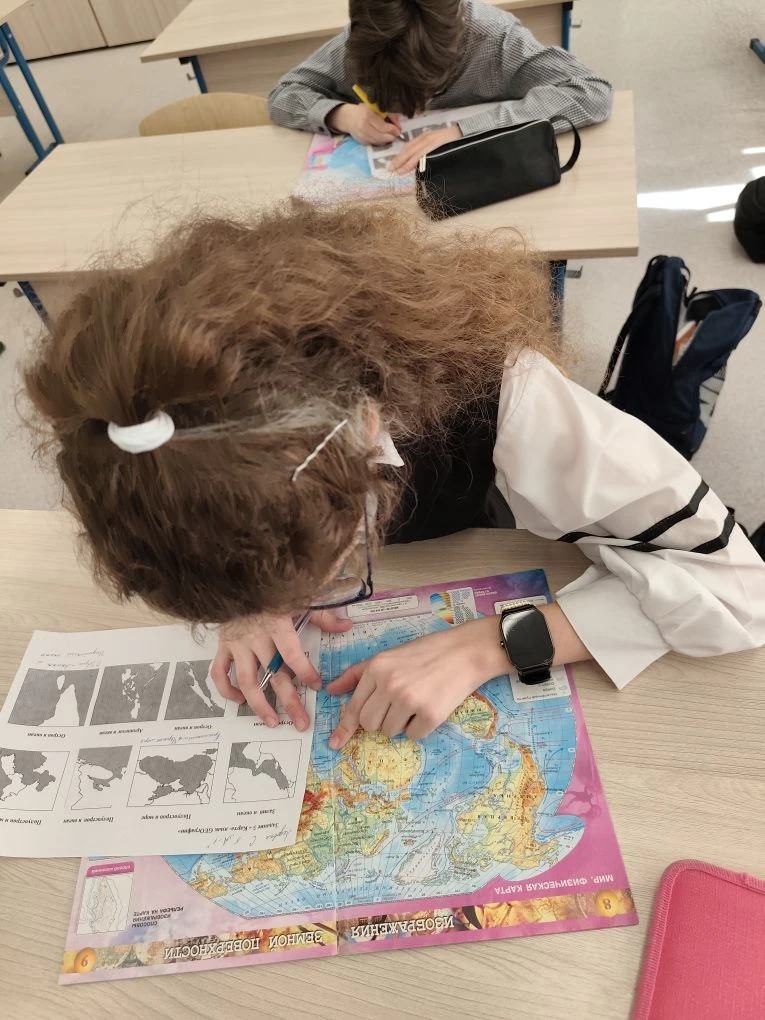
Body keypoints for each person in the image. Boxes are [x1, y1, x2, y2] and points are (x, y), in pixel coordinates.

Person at [24, 203, 765, 751]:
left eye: (333, 568)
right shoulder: (158, 435)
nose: (304, 600)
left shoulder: (511, 401)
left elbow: (740, 589)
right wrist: (249, 603)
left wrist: (492, 646)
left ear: (368, 429)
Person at [268, 0, 613, 174]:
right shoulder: (359, 44)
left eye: (427, 93)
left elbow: (591, 91)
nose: (413, 113)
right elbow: (284, 95)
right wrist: (343, 115)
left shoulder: (494, 40)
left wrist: (465, 130)